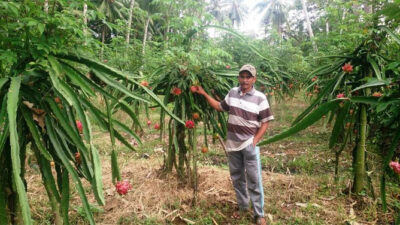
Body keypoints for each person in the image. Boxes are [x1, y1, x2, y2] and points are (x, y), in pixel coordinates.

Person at [193, 64, 273, 225]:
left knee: (254, 179)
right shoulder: (232, 93)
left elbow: (265, 122)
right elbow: (219, 107)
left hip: (249, 145)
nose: (245, 80)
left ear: (254, 79)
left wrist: (255, 141)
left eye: (248, 77)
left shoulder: (260, 97)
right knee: (237, 178)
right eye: (242, 77)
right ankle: (243, 207)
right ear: (238, 78)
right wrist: (203, 94)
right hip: (232, 145)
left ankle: (259, 214)